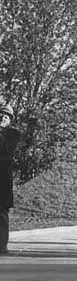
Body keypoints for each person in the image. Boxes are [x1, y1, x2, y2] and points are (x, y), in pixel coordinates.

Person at [0, 104, 20, 255]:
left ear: (10, 120)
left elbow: (8, 151)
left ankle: (1, 245)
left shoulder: (12, 134)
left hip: (3, 179)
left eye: (6, 116)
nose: (2, 118)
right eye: (1, 115)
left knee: (2, 213)